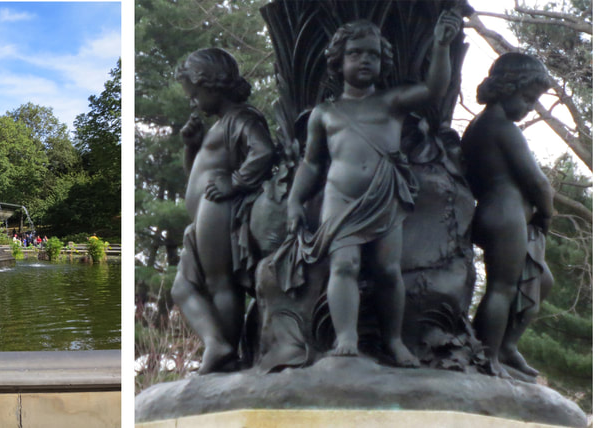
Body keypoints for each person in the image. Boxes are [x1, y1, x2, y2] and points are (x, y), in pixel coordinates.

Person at [285, 13, 460, 367]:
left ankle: (394, 341)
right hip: (341, 197)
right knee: (345, 264)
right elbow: (312, 164)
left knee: (387, 269)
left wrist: (442, 45)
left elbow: (433, 89)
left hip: (385, 195)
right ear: (338, 60)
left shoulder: (391, 101)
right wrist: (294, 200)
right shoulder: (324, 113)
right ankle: (346, 335)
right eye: (355, 53)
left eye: (373, 55)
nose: (365, 60)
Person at [171, 47, 276, 373]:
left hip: (221, 206)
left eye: (195, 94)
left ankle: (225, 353)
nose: (193, 102)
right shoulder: (219, 126)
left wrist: (235, 182)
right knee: (181, 287)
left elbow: (264, 151)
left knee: (221, 283)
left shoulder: (242, 118)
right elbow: (195, 177)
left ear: (213, 85)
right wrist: (191, 147)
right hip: (207, 209)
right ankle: (218, 344)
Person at [461, 53, 554, 379]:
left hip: (493, 211)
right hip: (505, 212)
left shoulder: (477, 127)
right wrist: (547, 212)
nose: (530, 107)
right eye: (528, 98)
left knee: (541, 280)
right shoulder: (500, 127)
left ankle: (506, 346)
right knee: (502, 288)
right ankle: (487, 357)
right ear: (506, 88)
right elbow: (537, 181)